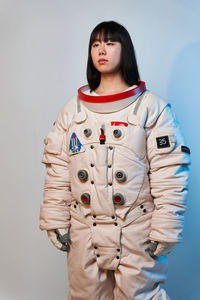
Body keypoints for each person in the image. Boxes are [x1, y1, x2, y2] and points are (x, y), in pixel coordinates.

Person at [39, 21, 191, 300]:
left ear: (126, 50)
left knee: (141, 295)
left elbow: (168, 172)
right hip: (84, 227)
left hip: (135, 227)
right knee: (85, 295)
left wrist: (166, 226)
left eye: (110, 43)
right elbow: (58, 171)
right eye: (95, 44)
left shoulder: (151, 109)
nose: (102, 50)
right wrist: (55, 219)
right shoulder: (72, 111)